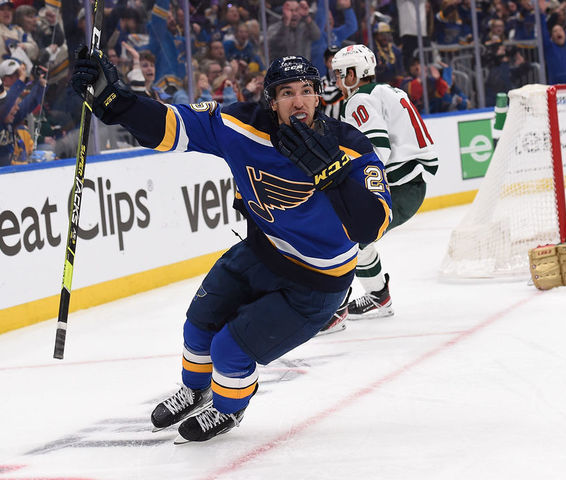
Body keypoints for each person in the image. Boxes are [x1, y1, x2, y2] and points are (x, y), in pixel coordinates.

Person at [71, 50, 391, 443]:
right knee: (198, 324)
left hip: (317, 283)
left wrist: (333, 175)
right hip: (263, 251)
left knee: (229, 350)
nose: (299, 101)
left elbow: (371, 226)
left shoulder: (349, 148)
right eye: (286, 92)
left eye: (307, 90)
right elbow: (173, 125)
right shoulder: (240, 126)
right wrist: (116, 102)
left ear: (319, 96)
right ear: (271, 102)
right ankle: (195, 389)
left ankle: (228, 408)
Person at [329, 44, 438, 322]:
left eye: (342, 73)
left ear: (355, 73)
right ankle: (378, 296)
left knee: (344, 237)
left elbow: (377, 151)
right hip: (408, 184)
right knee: (354, 237)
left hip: (397, 187)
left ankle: (334, 310)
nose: (338, 81)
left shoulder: (359, 100)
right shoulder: (389, 91)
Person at [538, 0, 566, 85]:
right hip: (556, 86)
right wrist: (542, 12)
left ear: (565, 33)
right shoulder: (549, 47)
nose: (558, 32)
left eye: (560, 30)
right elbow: (543, 30)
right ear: (552, 37)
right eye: (555, 31)